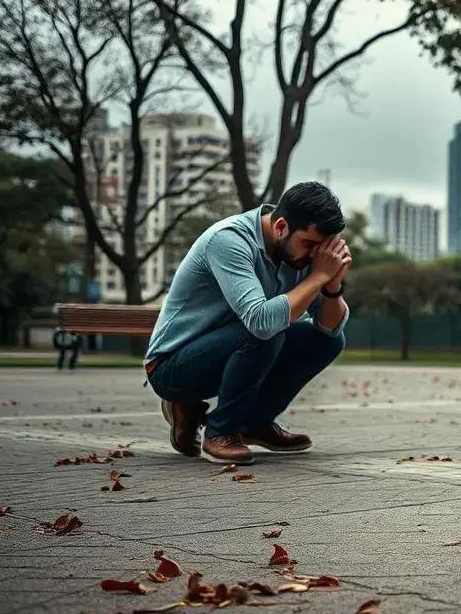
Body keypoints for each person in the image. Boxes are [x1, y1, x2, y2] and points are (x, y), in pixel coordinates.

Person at [143, 182, 352, 464]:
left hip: (233, 349)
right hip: (172, 366)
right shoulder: (229, 240)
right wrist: (317, 277)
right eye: (310, 244)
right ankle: (221, 431)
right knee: (265, 330)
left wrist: (331, 285)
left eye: (323, 248)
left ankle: (255, 423)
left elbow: (330, 329)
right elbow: (261, 323)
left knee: (327, 342)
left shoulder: (300, 256)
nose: (315, 255)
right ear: (280, 227)